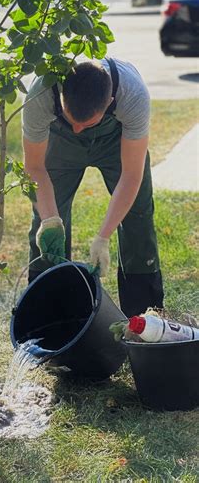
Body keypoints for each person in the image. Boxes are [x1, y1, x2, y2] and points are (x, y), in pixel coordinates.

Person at [22, 57, 164, 317]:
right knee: (46, 223)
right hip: (58, 138)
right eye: (72, 118)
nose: (77, 130)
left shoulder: (132, 93)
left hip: (116, 138)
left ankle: (143, 317)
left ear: (109, 102)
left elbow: (132, 175)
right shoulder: (41, 94)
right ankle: (49, 316)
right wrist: (51, 220)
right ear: (62, 94)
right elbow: (34, 168)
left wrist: (103, 237)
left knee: (138, 217)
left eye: (85, 124)